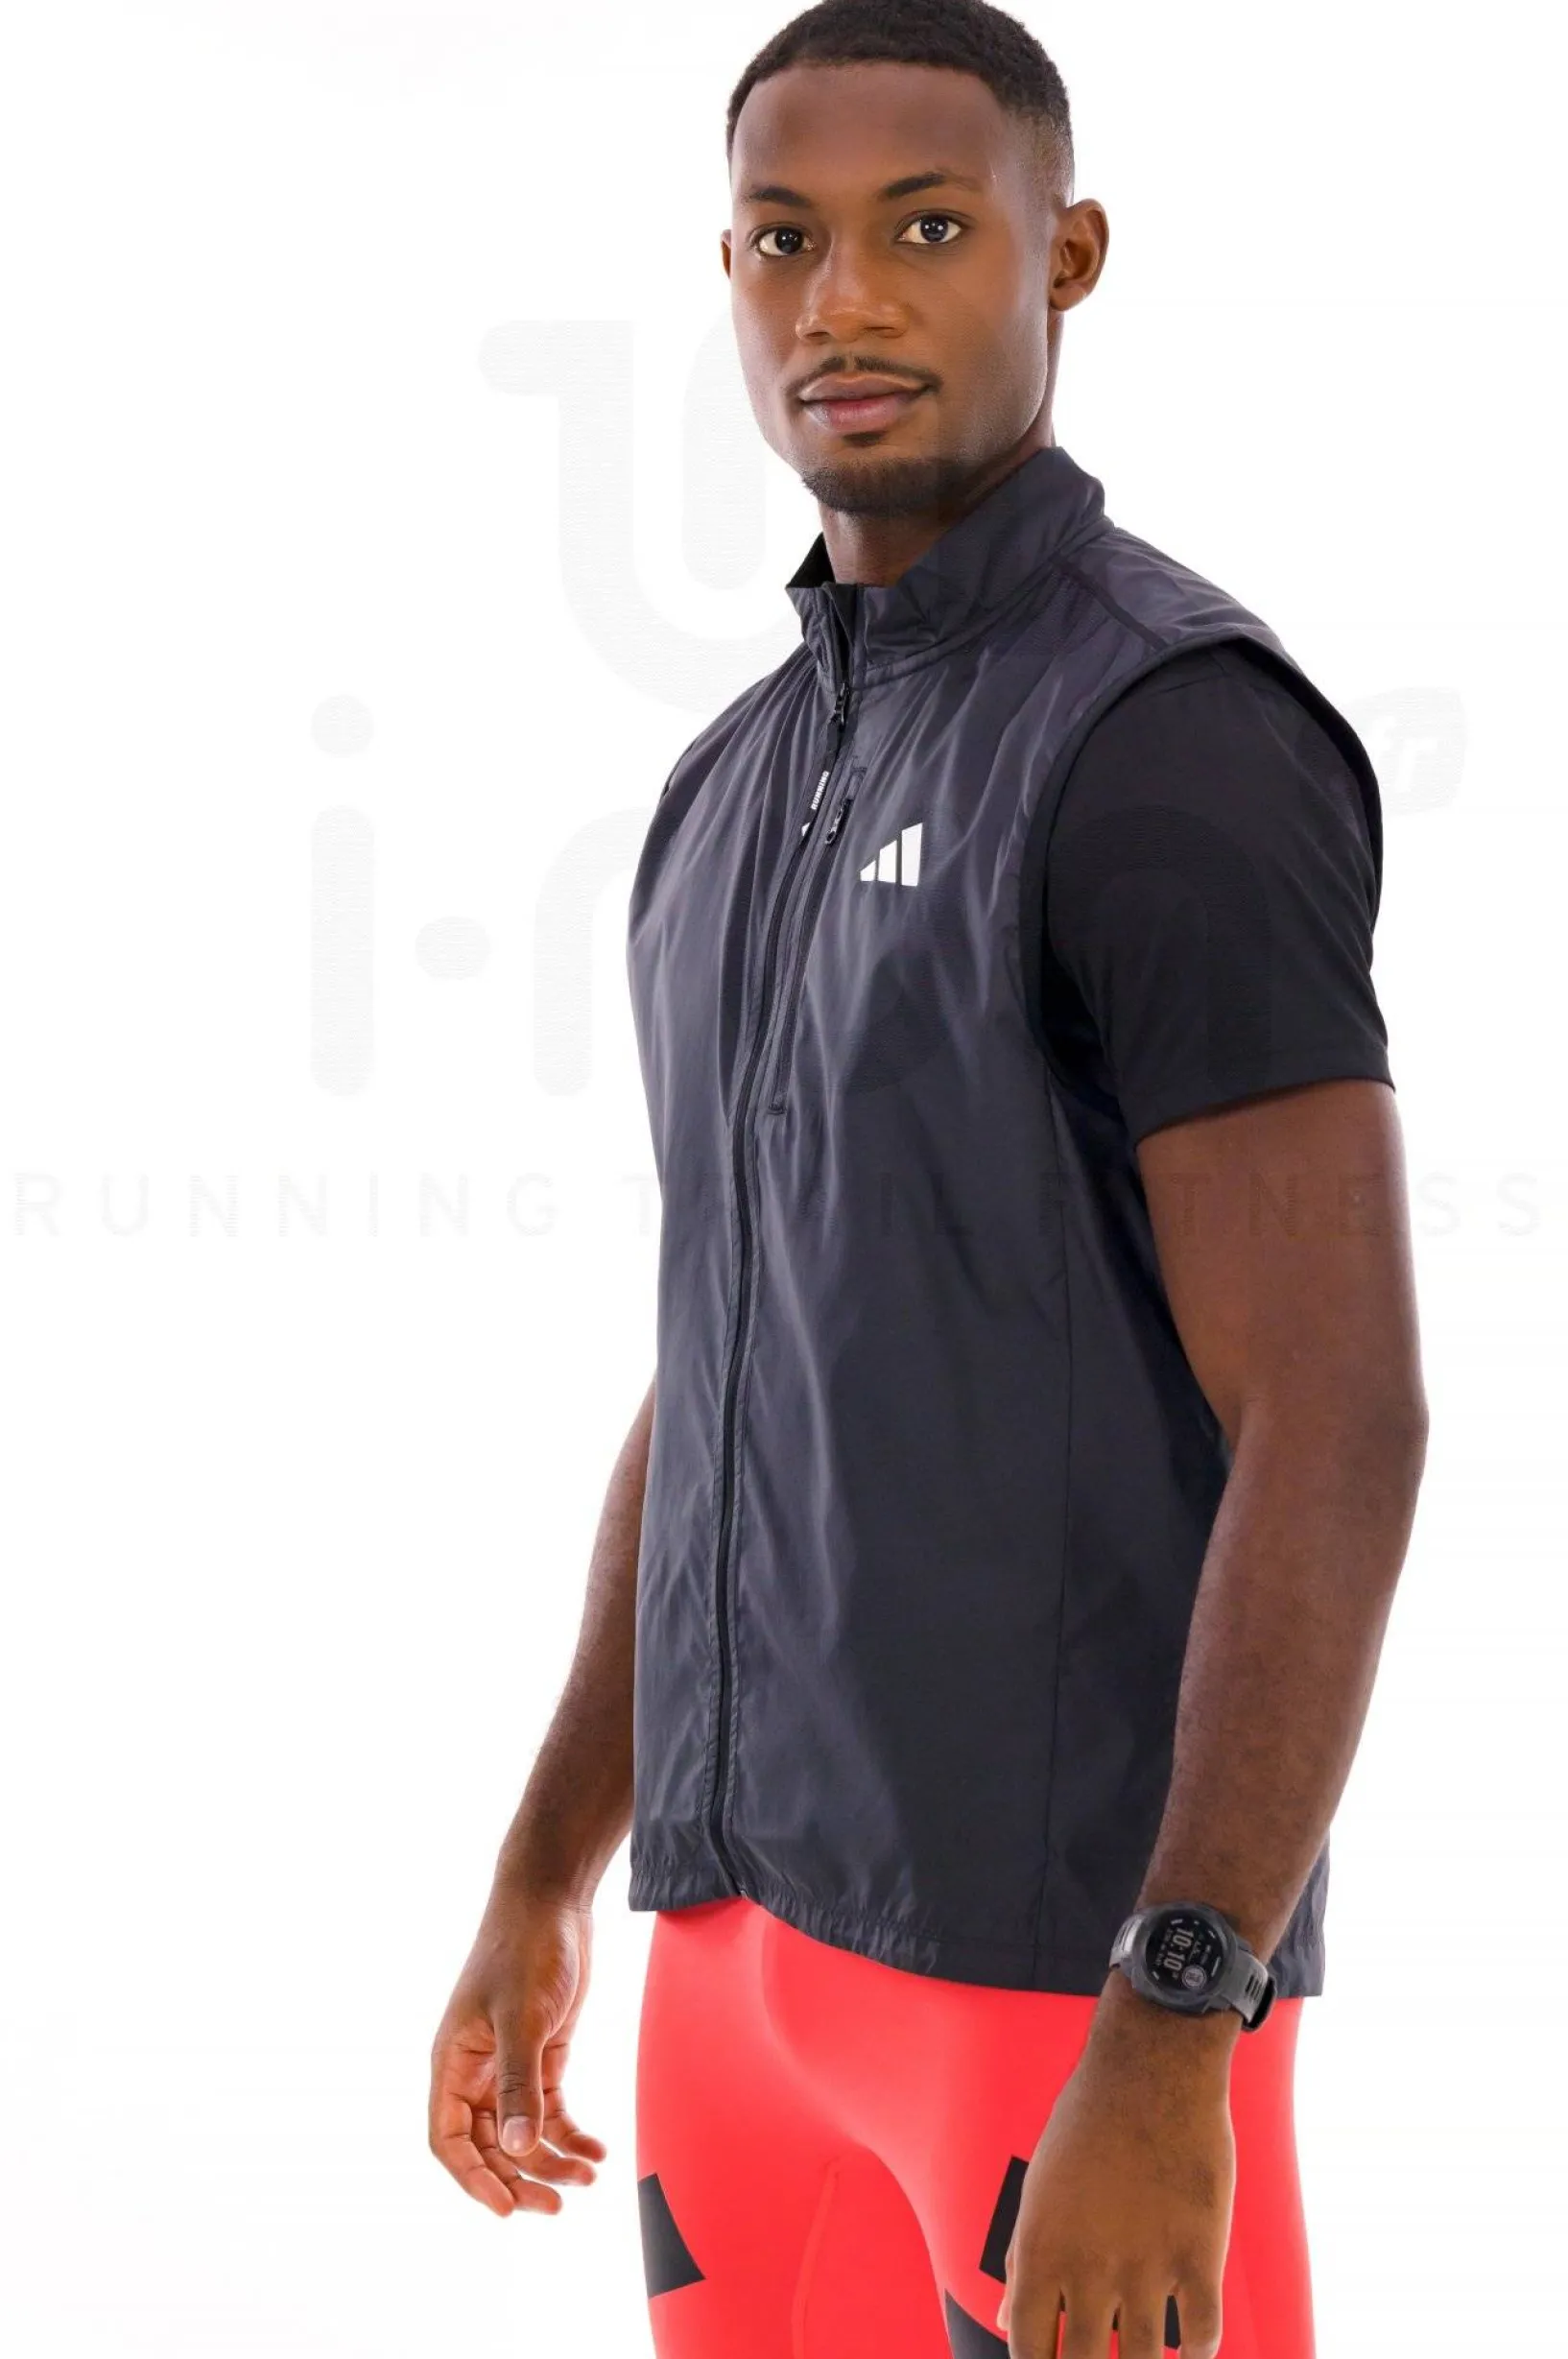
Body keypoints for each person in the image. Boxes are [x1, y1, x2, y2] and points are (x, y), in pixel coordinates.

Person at [428, 4, 1428, 2353]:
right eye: (785, 240)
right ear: (727, 272)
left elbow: (1339, 1412)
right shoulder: (728, 787)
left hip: (1056, 1996)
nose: (845, 300)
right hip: (735, 1976)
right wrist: (547, 1856)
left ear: (1063, 255)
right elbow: (728, 1356)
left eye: (927, 229)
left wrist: (1176, 2014)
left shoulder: (1172, 738)